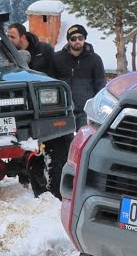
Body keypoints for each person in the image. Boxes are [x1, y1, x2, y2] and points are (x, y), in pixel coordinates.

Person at [44, 24, 107, 197]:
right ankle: (60, 182)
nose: (77, 41)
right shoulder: (57, 59)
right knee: (61, 148)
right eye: (73, 38)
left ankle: (81, 181)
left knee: (83, 146)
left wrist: (97, 108)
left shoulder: (95, 60)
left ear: (84, 39)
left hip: (84, 110)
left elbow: (101, 87)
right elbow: (50, 84)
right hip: (63, 111)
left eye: (80, 38)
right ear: (69, 40)